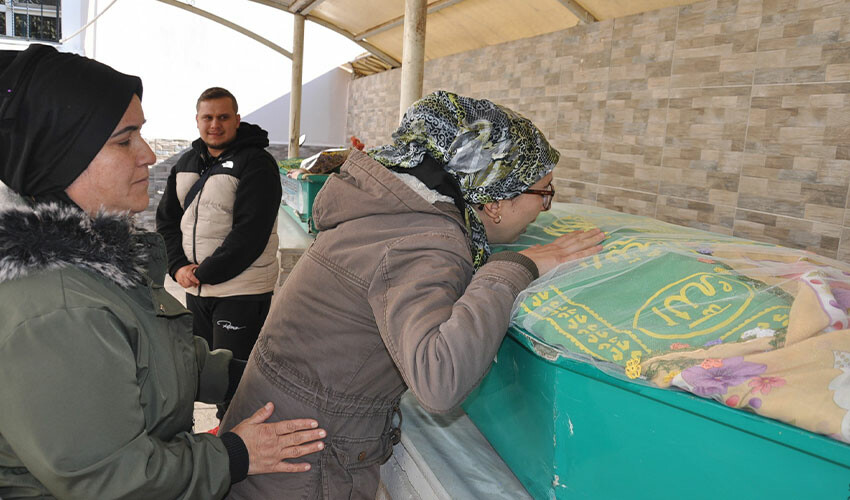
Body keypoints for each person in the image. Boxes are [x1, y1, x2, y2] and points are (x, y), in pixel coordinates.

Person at [220, 91, 605, 498]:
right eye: (543, 195)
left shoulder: (392, 212)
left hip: (280, 437)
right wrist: (511, 269)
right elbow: (439, 379)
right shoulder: (427, 240)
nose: (543, 210)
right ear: (496, 199)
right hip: (303, 465)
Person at [0, 44, 323, 499]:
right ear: (61, 156)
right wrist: (235, 454)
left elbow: (146, 358)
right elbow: (110, 478)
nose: (148, 155)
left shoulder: (95, 267)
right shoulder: (58, 307)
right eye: (123, 139)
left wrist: (236, 375)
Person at [156, 87, 282, 420]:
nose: (215, 124)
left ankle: (244, 450)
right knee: (207, 375)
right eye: (208, 117)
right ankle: (226, 438)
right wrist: (178, 266)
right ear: (197, 120)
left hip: (241, 292)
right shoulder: (186, 162)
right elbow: (167, 220)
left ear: (237, 120)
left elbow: (250, 234)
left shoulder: (257, 164)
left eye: (223, 117)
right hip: (197, 289)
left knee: (237, 381)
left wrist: (202, 272)